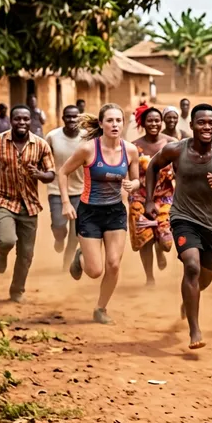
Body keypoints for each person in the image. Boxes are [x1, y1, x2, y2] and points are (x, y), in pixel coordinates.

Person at [146, 104, 212, 349]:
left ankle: (189, 301)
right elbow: (153, 166)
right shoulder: (176, 150)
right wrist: (149, 199)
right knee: (191, 267)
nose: (207, 127)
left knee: (204, 278)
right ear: (191, 125)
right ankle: (195, 330)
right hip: (183, 217)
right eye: (201, 122)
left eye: (211, 123)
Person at [58, 104, 139, 324]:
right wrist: (66, 203)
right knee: (95, 271)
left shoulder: (130, 150)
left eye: (118, 120)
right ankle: (81, 257)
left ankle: (101, 308)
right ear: (101, 124)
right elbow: (63, 172)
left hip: (115, 212)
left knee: (114, 264)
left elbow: (136, 180)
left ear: (124, 123)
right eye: (110, 120)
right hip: (90, 213)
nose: (115, 124)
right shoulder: (88, 149)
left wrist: (133, 184)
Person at [0, 105, 55, 302]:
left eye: (25, 119)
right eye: (17, 118)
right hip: (2, 198)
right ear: (11, 121)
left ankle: (17, 290)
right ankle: (2, 251)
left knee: (26, 253)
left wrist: (40, 174)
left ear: (31, 121)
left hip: (29, 204)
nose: (22, 122)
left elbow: (51, 174)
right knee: (7, 240)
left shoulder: (41, 145)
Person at [128, 106, 175, 286]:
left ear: (161, 122)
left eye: (157, 120)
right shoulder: (133, 147)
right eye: (150, 120)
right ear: (143, 123)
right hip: (140, 197)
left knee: (167, 243)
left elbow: (180, 170)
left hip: (165, 196)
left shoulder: (171, 144)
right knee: (144, 237)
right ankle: (149, 277)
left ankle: (160, 248)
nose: (154, 124)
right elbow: (129, 174)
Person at [45, 105, 84, 269]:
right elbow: (44, 157)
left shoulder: (87, 137)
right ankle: (59, 237)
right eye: (68, 116)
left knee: (76, 233)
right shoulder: (52, 137)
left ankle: (67, 264)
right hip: (56, 189)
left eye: (75, 117)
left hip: (81, 190)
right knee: (59, 225)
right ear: (63, 118)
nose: (72, 120)